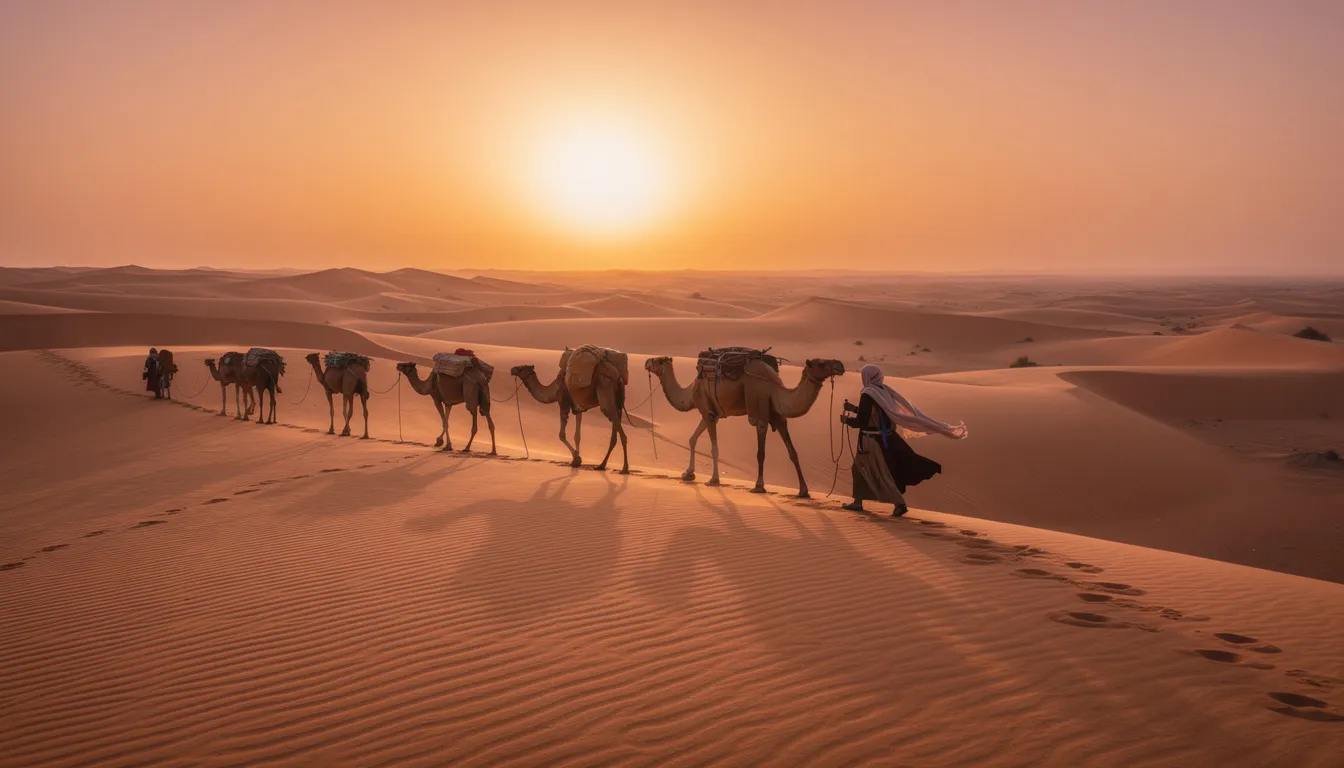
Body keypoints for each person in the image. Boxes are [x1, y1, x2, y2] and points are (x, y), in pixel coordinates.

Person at [839, 364, 968, 517]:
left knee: (868, 470)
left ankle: (885, 503)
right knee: (877, 470)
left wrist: (847, 420)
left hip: (871, 441)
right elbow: (879, 412)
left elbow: (863, 421)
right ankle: (864, 502)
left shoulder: (868, 393)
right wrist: (854, 408)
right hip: (886, 437)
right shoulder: (882, 391)